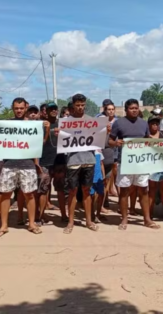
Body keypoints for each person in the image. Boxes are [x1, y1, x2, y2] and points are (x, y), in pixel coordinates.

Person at [109, 99, 159, 230]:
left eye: (136, 108)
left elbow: (147, 138)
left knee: (143, 190)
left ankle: (147, 219)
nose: (135, 110)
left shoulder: (143, 123)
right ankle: (124, 219)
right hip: (124, 162)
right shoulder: (118, 123)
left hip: (141, 162)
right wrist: (116, 143)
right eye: (132, 108)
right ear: (126, 110)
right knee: (124, 190)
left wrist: (159, 142)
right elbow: (110, 141)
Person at [0, 98, 41, 237]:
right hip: (9, 164)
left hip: (27, 164)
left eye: (21, 108)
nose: (19, 110)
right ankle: (4, 225)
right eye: (16, 108)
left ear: (25, 108)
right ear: (12, 108)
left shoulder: (33, 125)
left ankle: (31, 223)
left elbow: (40, 143)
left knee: (29, 194)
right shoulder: (6, 124)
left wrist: (44, 128)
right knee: (5, 194)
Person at [61, 94, 100, 234]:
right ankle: (70, 222)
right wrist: (58, 132)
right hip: (73, 161)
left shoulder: (92, 121)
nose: (80, 107)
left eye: (82, 105)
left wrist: (105, 131)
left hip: (89, 159)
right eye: (78, 105)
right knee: (72, 191)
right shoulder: (66, 122)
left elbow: (99, 138)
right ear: (73, 105)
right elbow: (61, 138)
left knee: (86, 190)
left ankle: (89, 221)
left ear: (85, 104)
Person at [38, 102, 67, 222]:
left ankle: (64, 215)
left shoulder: (64, 124)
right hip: (45, 161)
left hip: (60, 161)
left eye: (55, 108)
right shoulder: (40, 125)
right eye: (51, 109)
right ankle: (40, 216)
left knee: (60, 190)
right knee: (43, 190)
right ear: (46, 111)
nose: (53, 111)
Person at [147, 115, 163, 218]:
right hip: (151, 166)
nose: (154, 125)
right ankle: (150, 213)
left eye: (156, 124)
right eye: (152, 123)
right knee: (151, 190)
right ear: (149, 125)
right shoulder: (145, 137)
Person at [91, 149, 106, 223]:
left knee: (101, 194)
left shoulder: (98, 150)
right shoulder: (88, 151)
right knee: (91, 196)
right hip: (91, 178)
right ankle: (91, 214)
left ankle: (98, 214)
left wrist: (103, 176)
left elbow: (101, 163)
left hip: (99, 177)